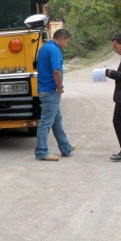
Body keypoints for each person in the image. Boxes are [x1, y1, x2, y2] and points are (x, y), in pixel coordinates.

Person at [35, 28, 75, 161]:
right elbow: (57, 71)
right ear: (62, 38)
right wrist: (59, 87)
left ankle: (65, 147)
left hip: (45, 89)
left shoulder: (44, 48)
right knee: (46, 122)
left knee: (56, 120)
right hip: (51, 91)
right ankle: (41, 151)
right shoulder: (55, 50)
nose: (66, 44)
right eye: (67, 41)